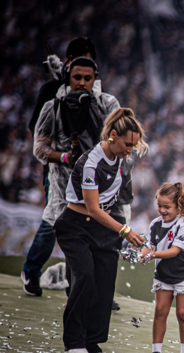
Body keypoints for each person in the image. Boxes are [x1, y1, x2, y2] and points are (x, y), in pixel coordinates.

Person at [54, 108, 147, 353]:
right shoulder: (90, 162)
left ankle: (92, 341)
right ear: (113, 135)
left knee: (104, 283)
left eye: (134, 145)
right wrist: (125, 231)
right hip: (75, 226)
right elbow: (93, 208)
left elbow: (115, 203)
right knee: (85, 277)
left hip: (103, 228)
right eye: (127, 144)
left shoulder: (121, 162)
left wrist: (122, 231)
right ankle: (74, 341)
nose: (130, 150)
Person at [21, 38, 103, 297]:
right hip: (58, 169)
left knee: (86, 225)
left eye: (89, 71)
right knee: (54, 221)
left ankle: (81, 282)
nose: (83, 79)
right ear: (68, 64)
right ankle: (32, 270)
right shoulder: (52, 92)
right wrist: (62, 153)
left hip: (88, 172)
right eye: (78, 70)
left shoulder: (98, 96)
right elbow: (37, 131)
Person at [142, 182, 184, 353]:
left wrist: (151, 255)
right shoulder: (154, 224)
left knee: (182, 313)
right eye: (159, 205)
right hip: (163, 275)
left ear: (179, 206)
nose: (162, 210)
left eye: (167, 206)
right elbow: (149, 246)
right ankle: (156, 352)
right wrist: (142, 253)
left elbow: (174, 251)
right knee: (160, 311)